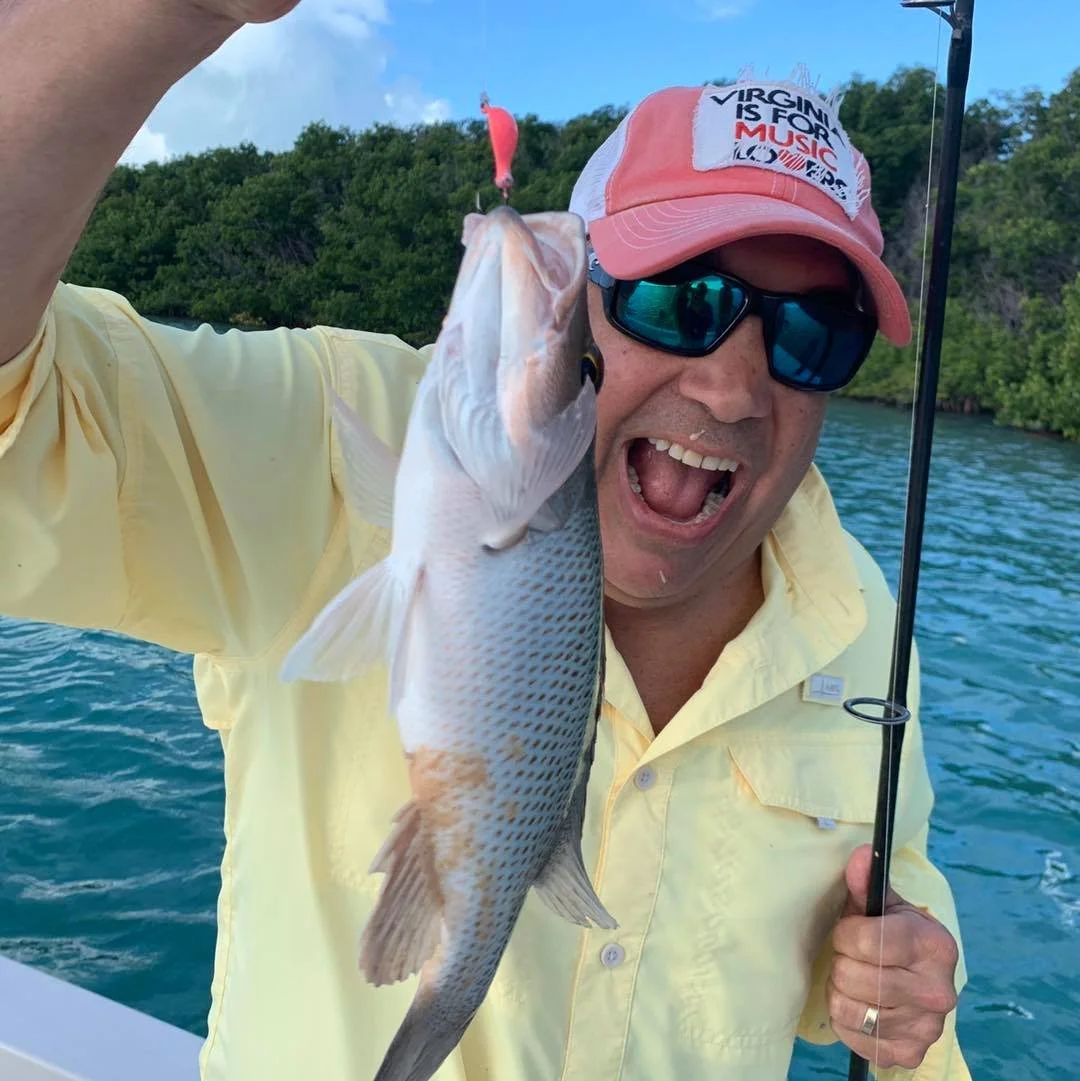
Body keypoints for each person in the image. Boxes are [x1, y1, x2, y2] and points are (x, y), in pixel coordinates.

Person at [0, 2, 969, 1079]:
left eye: (812, 336)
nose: (734, 386)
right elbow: (20, 420)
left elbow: (889, 905)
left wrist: (897, 980)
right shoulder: (333, 436)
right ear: (586, 294)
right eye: (679, 300)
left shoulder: (861, 624)